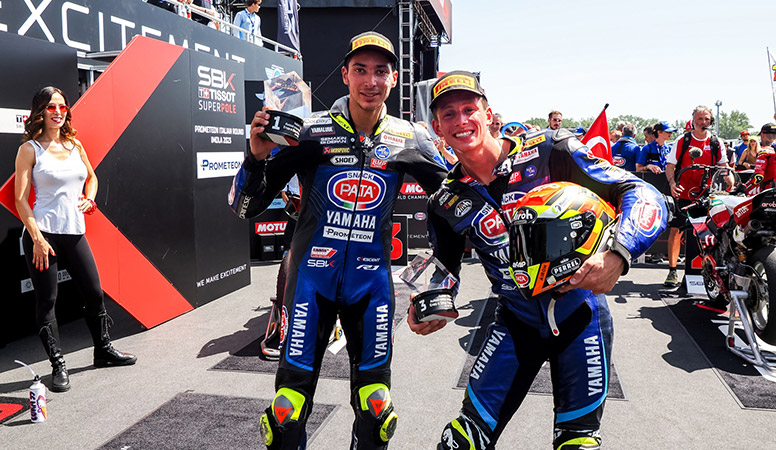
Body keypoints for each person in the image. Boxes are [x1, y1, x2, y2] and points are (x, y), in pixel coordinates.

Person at [411, 71, 667, 450]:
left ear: (488, 114)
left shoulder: (550, 149)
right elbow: (443, 270)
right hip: (515, 322)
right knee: (462, 441)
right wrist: (429, 302)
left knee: (578, 444)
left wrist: (619, 253)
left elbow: (641, 191)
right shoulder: (444, 200)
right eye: (449, 114)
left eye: (469, 109)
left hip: (581, 316)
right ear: (437, 127)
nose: (461, 121)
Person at [228, 31, 448, 450]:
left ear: (394, 78)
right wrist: (254, 158)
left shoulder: (410, 137)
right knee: (286, 412)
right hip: (311, 285)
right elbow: (244, 207)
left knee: (376, 410)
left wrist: (441, 281)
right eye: (360, 70)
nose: (370, 81)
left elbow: (455, 204)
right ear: (345, 74)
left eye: (380, 71)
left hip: (372, 289)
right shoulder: (308, 131)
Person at [13, 87, 137, 393]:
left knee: (94, 294)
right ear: (40, 112)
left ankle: (103, 351)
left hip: (74, 231)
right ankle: (58, 364)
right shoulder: (30, 149)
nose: (57, 112)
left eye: (62, 106)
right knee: (48, 301)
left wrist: (90, 199)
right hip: (43, 235)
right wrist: (37, 238)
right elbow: (20, 200)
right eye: (51, 107)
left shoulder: (74, 144)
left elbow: (91, 178)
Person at [663, 105, 728, 288]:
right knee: (676, 230)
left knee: (708, 234)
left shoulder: (716, 142)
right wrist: (672, 184)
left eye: (707, 119)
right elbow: (670, 166)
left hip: (707, 195)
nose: (703, 122)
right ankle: (672, 270)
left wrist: (732, 182)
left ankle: (708, 272)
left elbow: (724, 168)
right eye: (700, 119)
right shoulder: (682, 140)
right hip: (683, 192)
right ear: (693, 120)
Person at [745, 123, 776, 195]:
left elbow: (758, 176)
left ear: (762, 135)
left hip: (769, 194)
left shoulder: (765, 152)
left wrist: (744, 188)